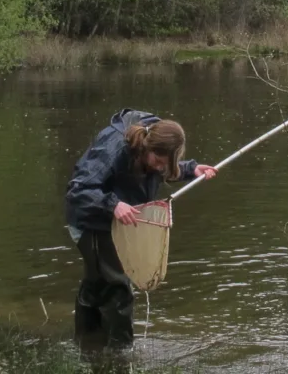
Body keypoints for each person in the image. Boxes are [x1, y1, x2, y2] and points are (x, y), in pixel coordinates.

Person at [65, 108, 217, 348]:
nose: (160, 168)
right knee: (118, 288)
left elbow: (160, 168)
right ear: (147, 147)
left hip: (115, 222)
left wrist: (190, 170)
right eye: (158, 162)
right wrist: (113, 204)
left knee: (96, 285)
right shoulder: (114, 145)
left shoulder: (155, 147)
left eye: (165, 164)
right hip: (92, 221)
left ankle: (87, 348)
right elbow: (79, 188)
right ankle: (122, 356)